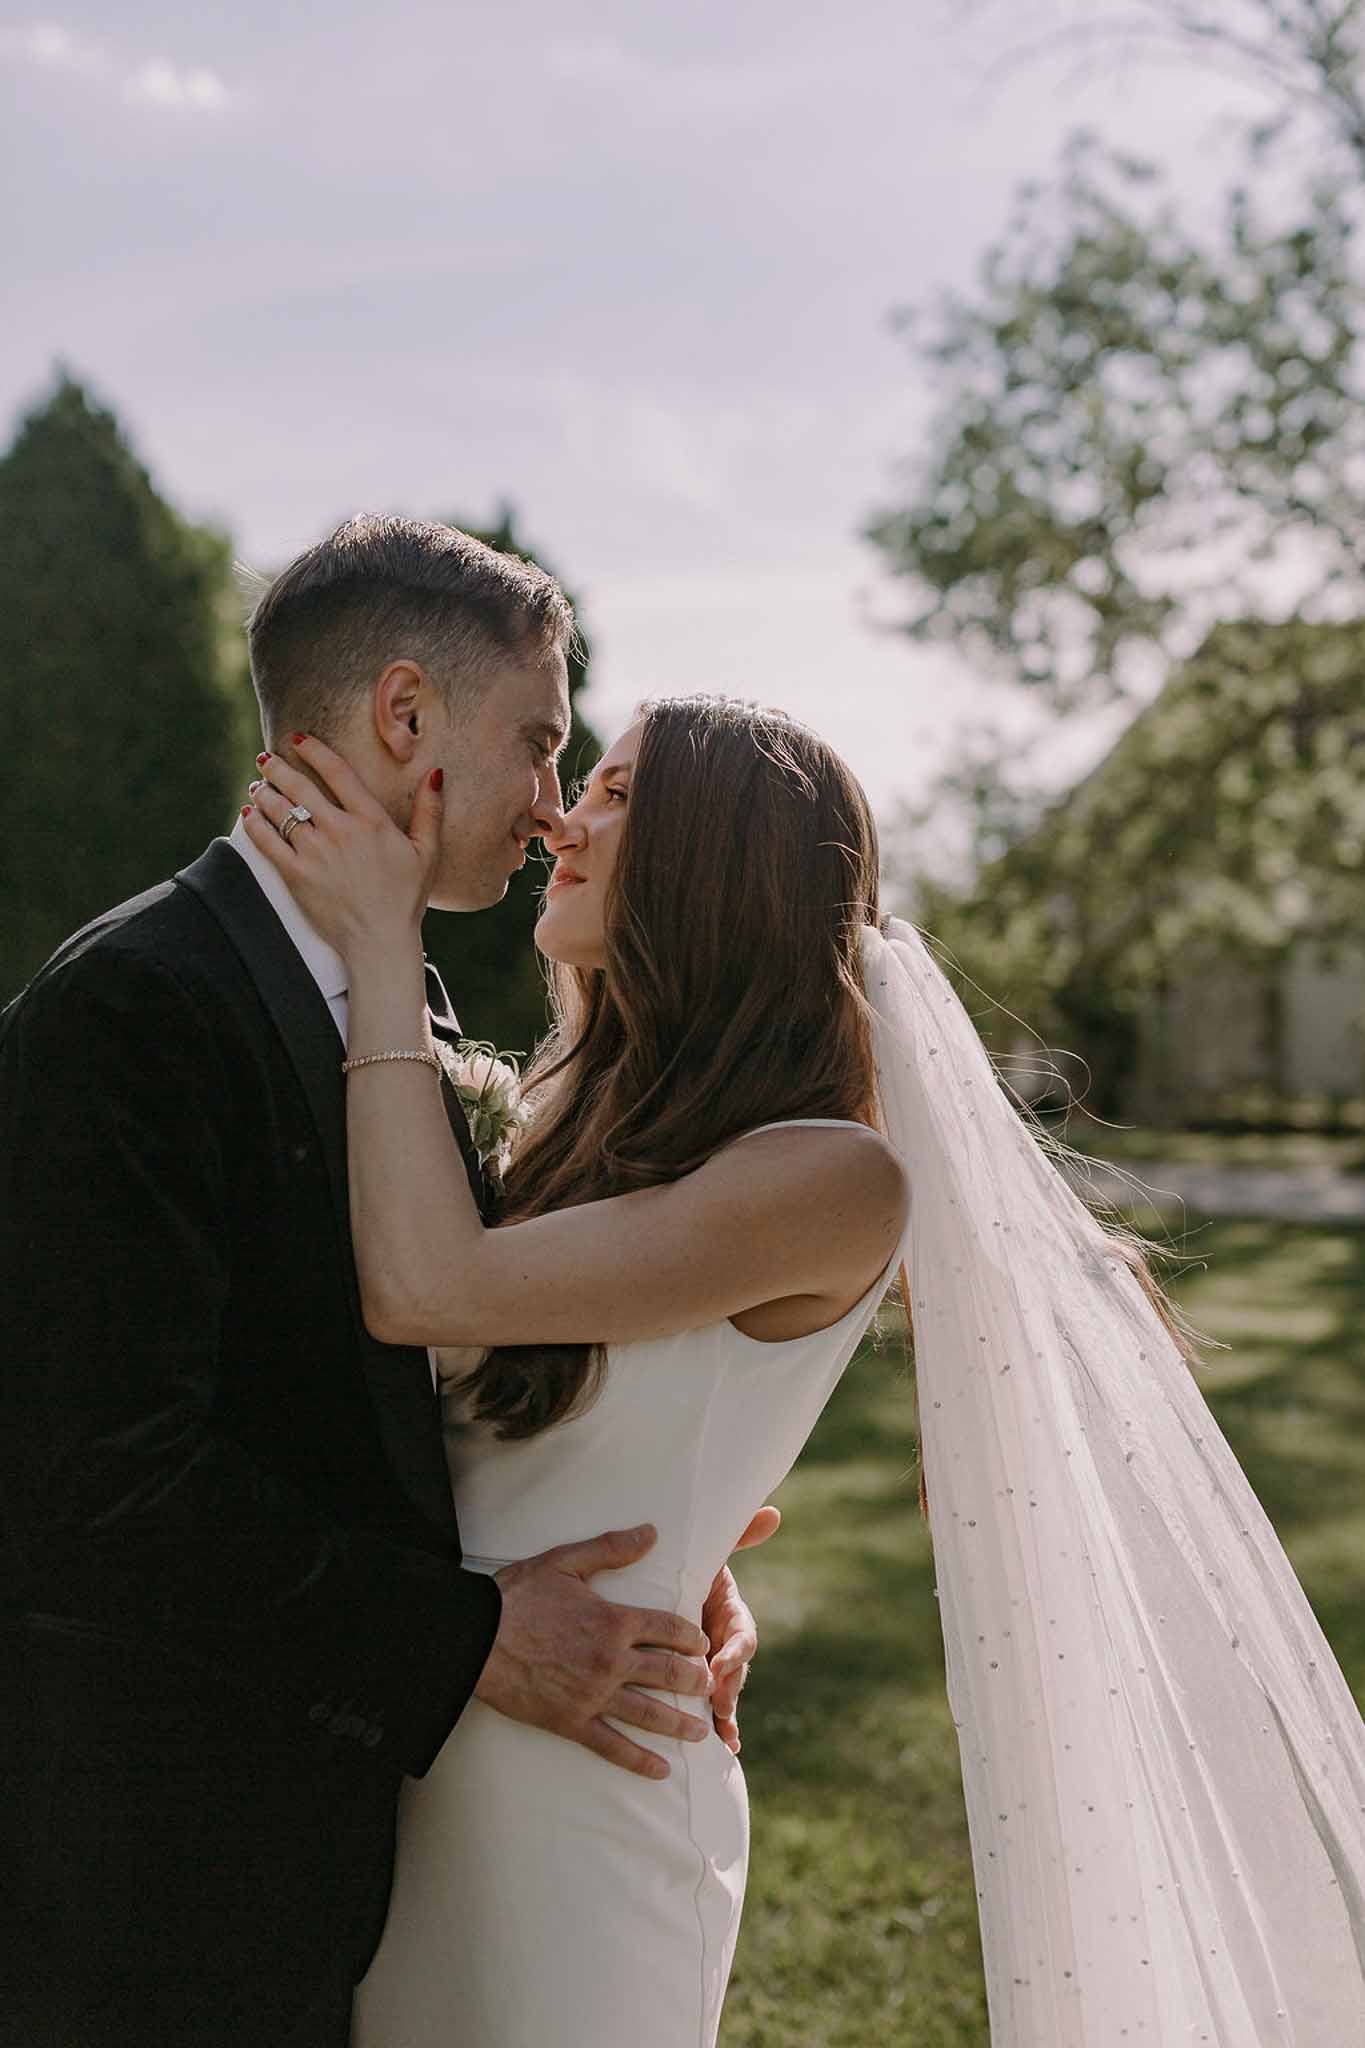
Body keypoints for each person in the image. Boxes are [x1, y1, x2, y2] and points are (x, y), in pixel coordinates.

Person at [246, 690, 1365, 2047]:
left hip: (582, 1789)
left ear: (715, 863)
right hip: (447, 1731)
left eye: (611, 794)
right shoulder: (570, 1114)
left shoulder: (829, 1173)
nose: (558, 820)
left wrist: (377, 946)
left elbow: (427, 1290)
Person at [0, 517, 768, 2048]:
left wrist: (663, 1530)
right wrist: (472, 1639)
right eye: (541, 745)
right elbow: (87, 1476)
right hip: (150, 1867)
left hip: (340, 1843)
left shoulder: (381, 999)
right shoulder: (136, 1004)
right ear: (404, 719)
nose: (554, 808)